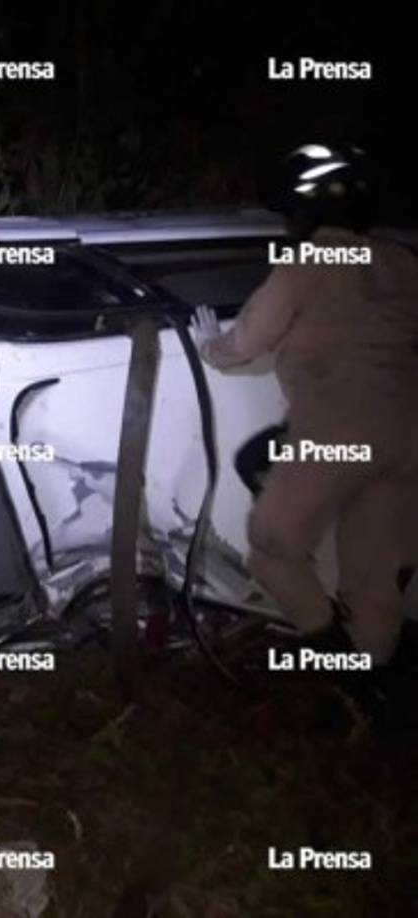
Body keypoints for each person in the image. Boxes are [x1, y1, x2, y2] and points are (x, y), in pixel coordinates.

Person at [191, 143, 418, 672]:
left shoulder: (306, 263)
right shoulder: (403, 262)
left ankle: (331, 660)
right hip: (407, 436)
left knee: (273, 543)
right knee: (373, 576)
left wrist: (210, 346)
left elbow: (248, 341)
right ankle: (374, 689)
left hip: (337, 431)